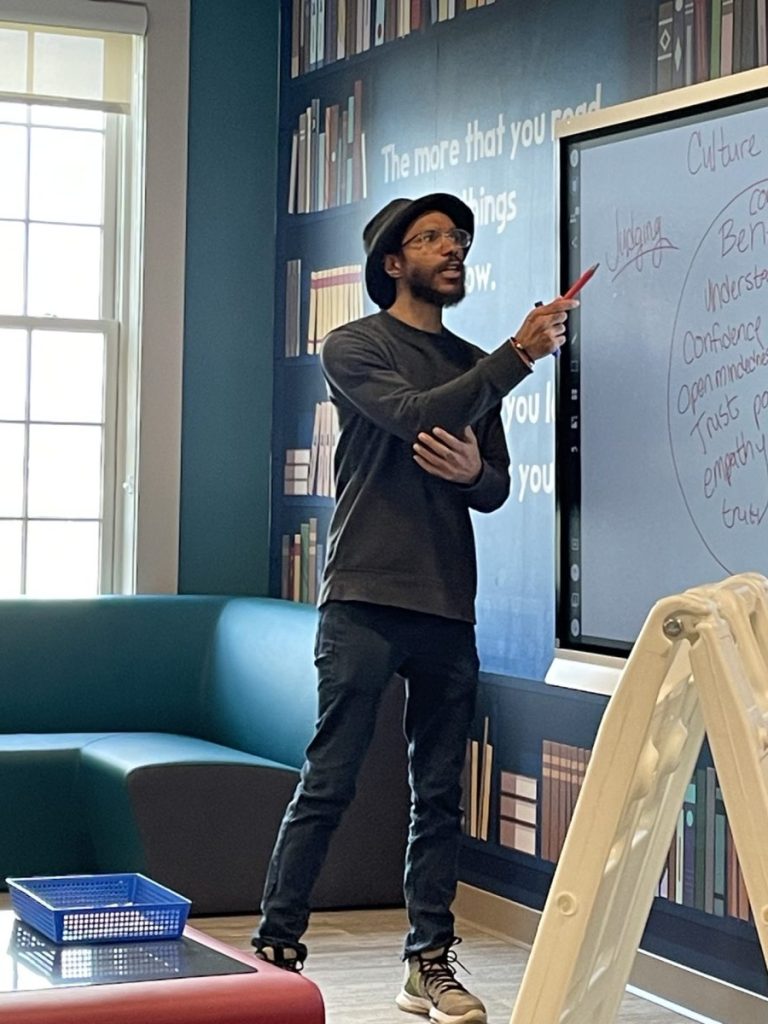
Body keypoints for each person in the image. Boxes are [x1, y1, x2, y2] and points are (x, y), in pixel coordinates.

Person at [252, 193, 576, 1024]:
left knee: (438, 795)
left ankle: (427, 963)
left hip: (446, 608)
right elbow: (411, 416)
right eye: (432, 238)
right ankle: (275, 950)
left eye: (458, 238)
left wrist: (472, 474)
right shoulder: (355, 345)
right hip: (362, 597)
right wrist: (516, 355)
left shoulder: (473, 363)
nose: (452, 248)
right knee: (329, 779)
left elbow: (495, 485)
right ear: (393, 263)